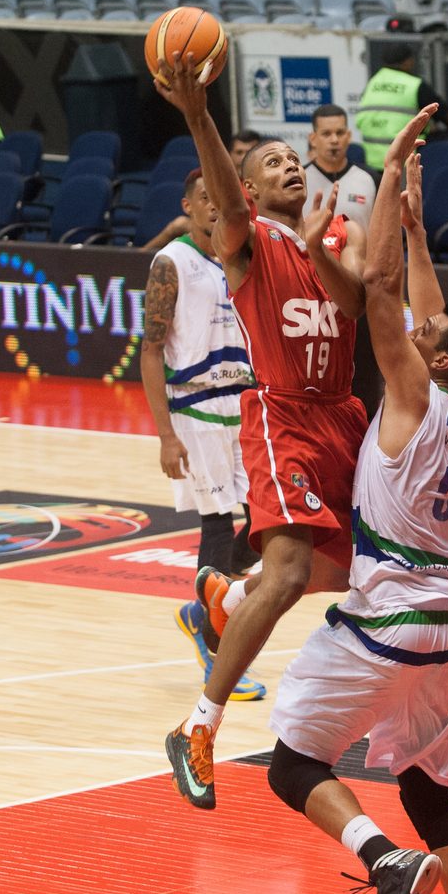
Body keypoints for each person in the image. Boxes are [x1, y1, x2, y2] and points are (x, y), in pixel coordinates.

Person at [267, 105, 448, 894]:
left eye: (426, 334)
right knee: (427, 792)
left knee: (292, 763)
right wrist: (420, 233)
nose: (414, 329)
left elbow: (380, 287)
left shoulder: (411, 392)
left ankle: (384, 858)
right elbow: (426, 304)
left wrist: (390, 168)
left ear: (436, 358)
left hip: (390, 618)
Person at [153, 50, 369, 810]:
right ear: (246, 190)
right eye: (271, 162)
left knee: (350, 572)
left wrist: (318, 244)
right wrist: (198, 115)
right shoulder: (247, 243)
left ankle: (228, 592)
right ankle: (198, 726)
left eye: (291, 159)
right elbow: (227, 198)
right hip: (283, 415)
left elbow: (355, 305)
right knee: (289, 574)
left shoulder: (332, 234)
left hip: (343, 415)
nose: (289, 167)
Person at [138, 167, 265, 703]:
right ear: (187, 206)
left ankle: (199, 610)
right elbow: (150, 351)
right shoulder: (172, 263)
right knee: (217, 523)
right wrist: (166, 435)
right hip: (196, 404)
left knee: (264, 523)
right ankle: (214, 647)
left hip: (246, 401)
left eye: (222, 198)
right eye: (205, 198)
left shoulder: (246, 257)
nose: (215, 206)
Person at [143, 130, 265, 252]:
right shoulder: (213, 179)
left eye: (249, 153)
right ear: (229, 155)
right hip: (222, 230)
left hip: (251, 236)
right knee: (179, 224)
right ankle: (138, 257)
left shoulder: (265, 185)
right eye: (239, 152)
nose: (243, 158)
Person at [356, 45, 448, 171]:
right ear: (408, 61)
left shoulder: (372, 83)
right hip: (404, 160)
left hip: (372, 162)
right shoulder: (414, 85)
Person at [302, 104, 377, 234]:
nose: (334, 140)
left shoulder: (371, 179)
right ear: (313, 139)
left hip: (362, 248)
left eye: (340, 133)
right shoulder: (298, 179)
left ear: (349, 136)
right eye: (326, 134)